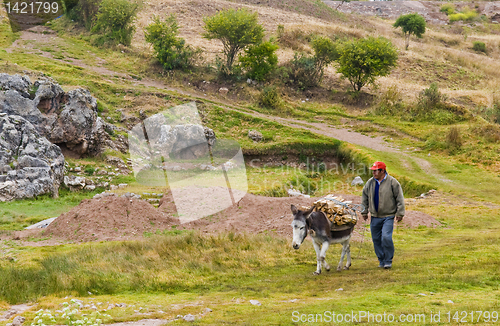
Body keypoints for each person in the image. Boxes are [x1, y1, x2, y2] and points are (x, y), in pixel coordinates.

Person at [361, 161, 405, 269]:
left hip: (388, 216)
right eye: (373, 171)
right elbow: (364, 197)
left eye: (376, 171)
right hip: (375, 216)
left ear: (382, 171)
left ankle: (388, 260)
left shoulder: (393, 182)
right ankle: (381, 260)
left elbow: (399, 198)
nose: (374, 173)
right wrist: (364, 211)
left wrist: (400, 213)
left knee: (386, 237)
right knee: (376, 239)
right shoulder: (370, 183)